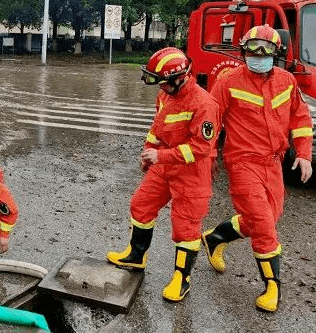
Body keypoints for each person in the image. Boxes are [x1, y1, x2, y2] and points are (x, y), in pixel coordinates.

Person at [202, 25, 313, 312]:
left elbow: (300, 120)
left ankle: (215, 237)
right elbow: (211, 121)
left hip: (273, 162)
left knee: (270, 216)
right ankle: (272, 287)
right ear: (243, 51)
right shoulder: (228, 82)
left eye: (266, 50)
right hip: (241, 162)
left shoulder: (287, 81)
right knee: (264, 225)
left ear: (277, 54)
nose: (259, 55)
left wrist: (303, 154)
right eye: (253, 49)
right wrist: (207, 156)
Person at [106, 47, 220, 302]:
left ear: (180, 78)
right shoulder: (165, 94)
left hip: (192, 172)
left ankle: (182, 279)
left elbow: (202, 148)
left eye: (164, 83)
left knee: (186, 227)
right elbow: (157, 129)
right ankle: (136, 255)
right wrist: (148, 152)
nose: (161, 88)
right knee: (141, 205)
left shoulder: (204, 104)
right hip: (164, 164)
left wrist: (162, 156)